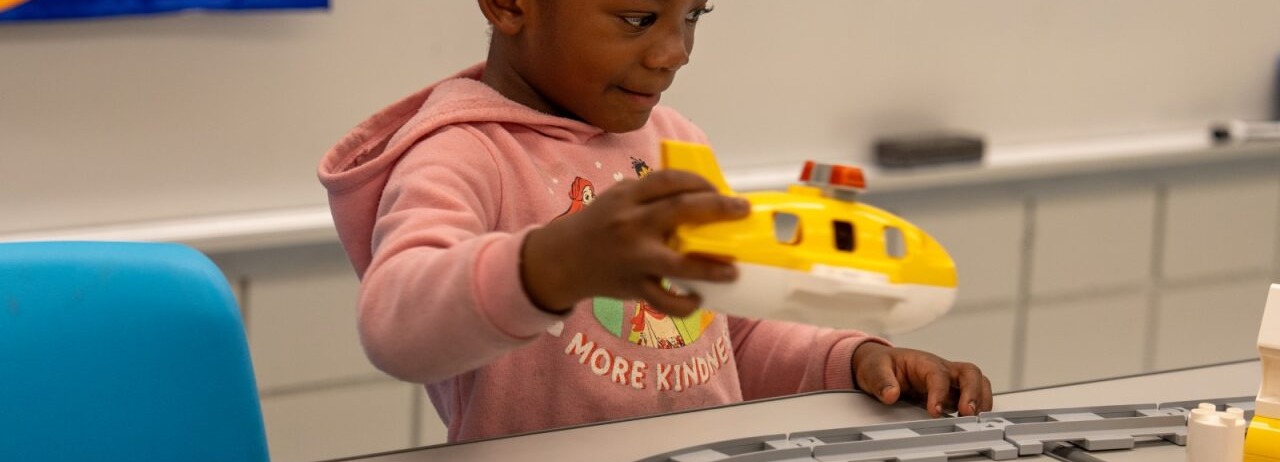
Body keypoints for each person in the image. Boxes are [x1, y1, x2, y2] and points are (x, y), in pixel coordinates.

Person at [317, 0, 992, 443]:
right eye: (639, 17)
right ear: (512, 3)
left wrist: (851, 359)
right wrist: (554, 263)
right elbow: (394, 327)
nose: (676, 51)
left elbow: (730, 335)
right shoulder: (465, 151)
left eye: (693, 15)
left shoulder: (676, 142)